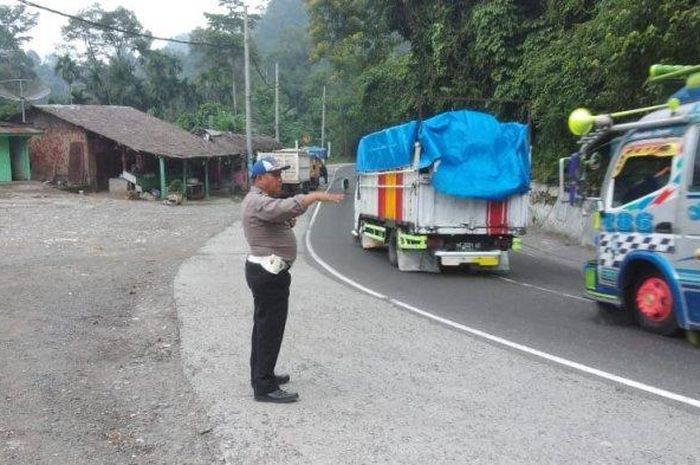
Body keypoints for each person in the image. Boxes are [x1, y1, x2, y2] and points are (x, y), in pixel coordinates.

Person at [242, 156, 344, 403]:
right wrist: (314, 196)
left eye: (280, 174)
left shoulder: (261, 200)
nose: (279, 179)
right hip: (268, 274)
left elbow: (278, 216)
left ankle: (263, 375)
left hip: (268, 272)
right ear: (259, 178)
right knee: (269, 330)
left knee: (264, 328)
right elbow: (287, 207)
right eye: (274, 175)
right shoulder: (257, 201)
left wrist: (286, 221)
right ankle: (264, 387)